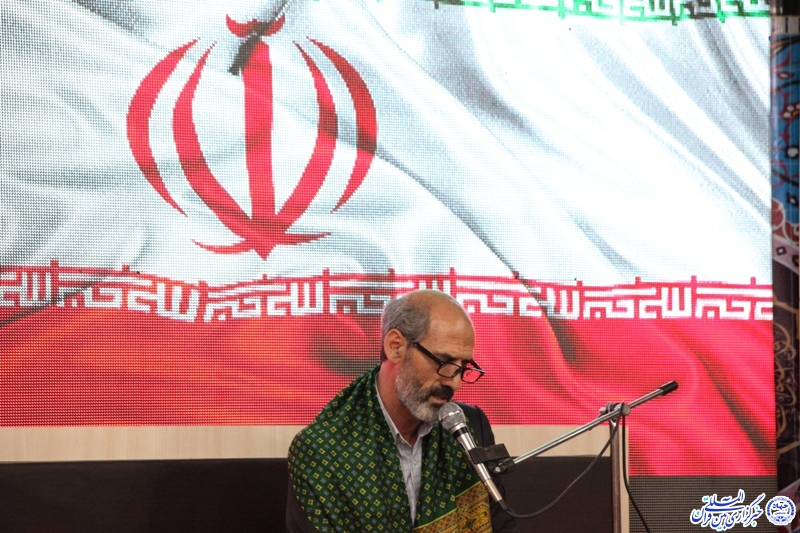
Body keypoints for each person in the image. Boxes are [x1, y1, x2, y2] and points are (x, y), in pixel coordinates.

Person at [286, 289, 518, 532]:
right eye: (444, 362)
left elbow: (502, 524)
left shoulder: (468, 426)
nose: (455, 382)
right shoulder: (321, 450)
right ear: (396, 346)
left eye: (463, 367)